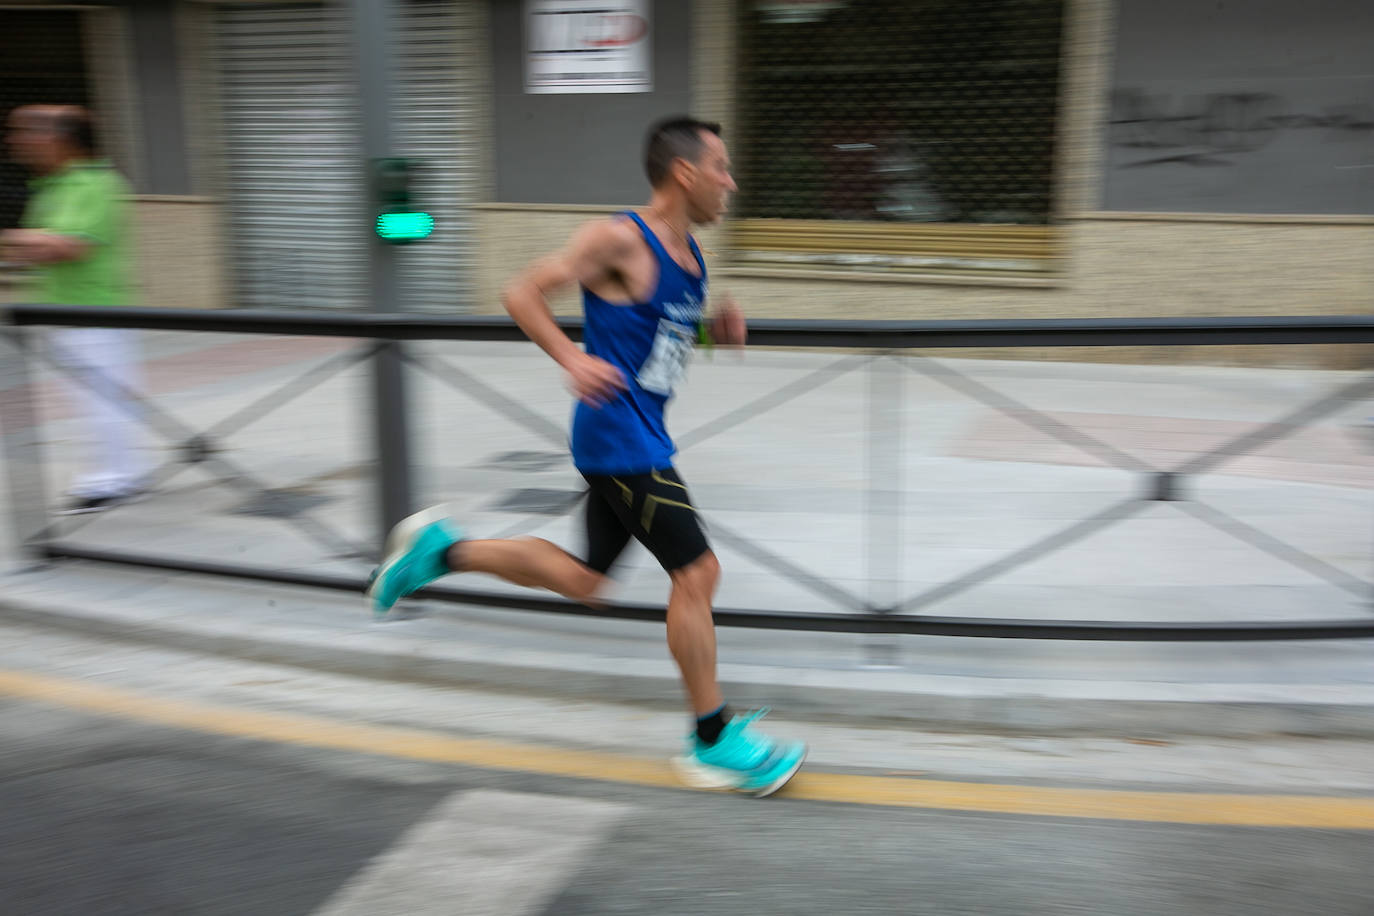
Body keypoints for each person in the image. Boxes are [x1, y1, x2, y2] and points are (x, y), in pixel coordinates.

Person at [368, 116, 806, 797]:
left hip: (636, 434)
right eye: (720, 167)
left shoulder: (691, 255)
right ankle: (712, 739)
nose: (731, 182)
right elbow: (521, 292)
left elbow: (659, 338)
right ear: (684, 173)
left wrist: (711, 334)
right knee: (698, 572)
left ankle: (440, 550)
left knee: (587, 581)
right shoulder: (617, 238)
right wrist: (571, 358)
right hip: (619, 438)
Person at [2, 104, 144, 513]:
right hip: (66, 312)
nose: (16, 140)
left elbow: (66, 246)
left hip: (93, 313)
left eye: (28, 131)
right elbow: (38, 247)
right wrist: (27, 243)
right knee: (96, 398)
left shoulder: (93, 183)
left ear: (61, 139)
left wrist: (20, 240)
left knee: (99, 400)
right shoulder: (54, 184)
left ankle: (112, 480)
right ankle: (129, 471)